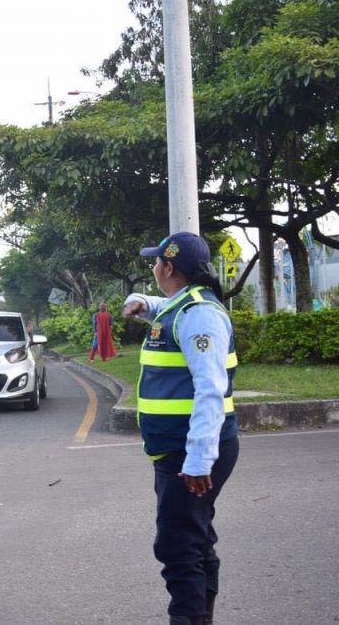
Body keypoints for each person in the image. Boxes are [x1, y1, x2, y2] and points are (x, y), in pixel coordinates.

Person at [122, 232, 239, 625]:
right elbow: (164, 307)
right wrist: (139, 302)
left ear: (168, 268)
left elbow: (210, 390)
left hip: (187, 455)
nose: (154, 267)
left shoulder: (199, 315)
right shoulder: (182, 306)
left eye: (156, 262)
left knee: (178, 546)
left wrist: (199, 461)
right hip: (176, 450)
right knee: (195, 536)